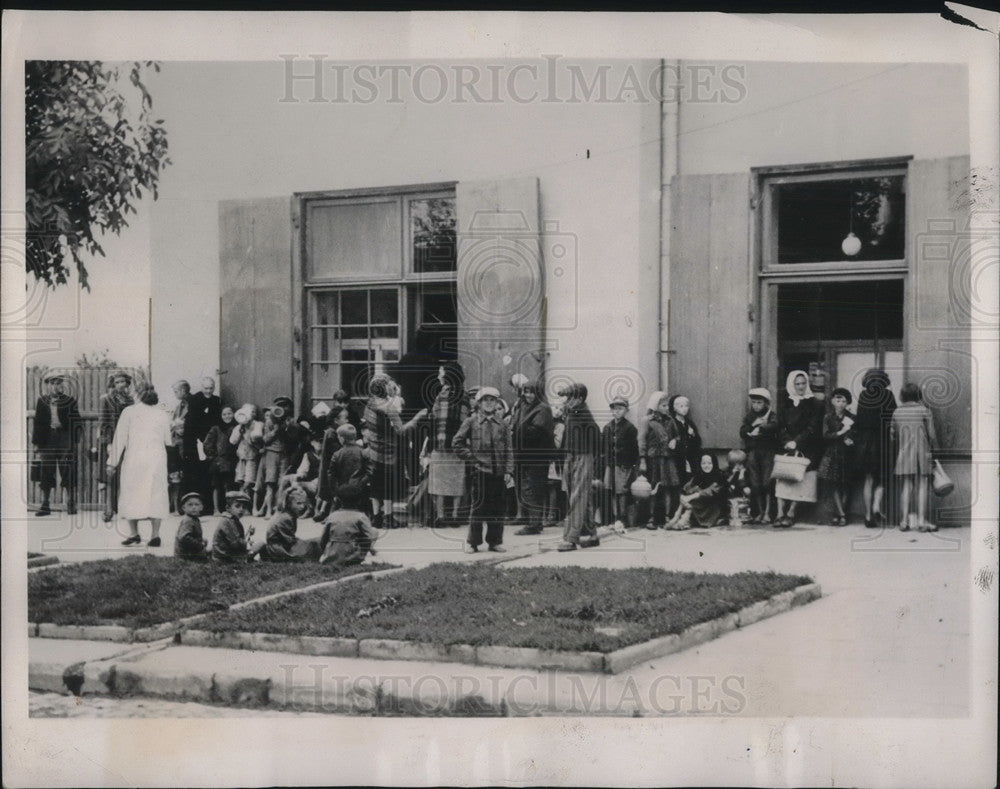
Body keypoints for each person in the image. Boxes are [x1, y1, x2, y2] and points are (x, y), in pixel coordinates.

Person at [107, 384, 173, 547]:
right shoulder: (163, 414)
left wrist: (111, 463)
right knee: (156, 493)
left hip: (135, 459)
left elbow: (119, 439)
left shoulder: (129, 412)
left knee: (131, 492)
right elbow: (168, 440)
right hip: (156, 459)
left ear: (137, 395)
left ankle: (134, 533)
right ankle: (155, 535)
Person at [452, 386, 514, 554]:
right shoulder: (471, 422)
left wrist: (508, 470)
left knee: (497, 508)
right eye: (485, 400)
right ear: (479, 403)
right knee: (478, 507)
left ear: (497, 403)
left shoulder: (502, 423)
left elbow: (509, 448)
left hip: (498, 472)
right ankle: (473, 542)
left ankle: (495, 541)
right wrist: (471, 458)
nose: (489, 403)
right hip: (479, 471)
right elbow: (456, 443)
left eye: (492, 400)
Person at [362, 373, 427, 530]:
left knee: (376, 484)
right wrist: (417, 418)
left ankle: (376, 517)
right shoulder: (389, 408)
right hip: (388, 452)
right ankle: (389, 518)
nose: (392, 387)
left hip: (373, 449)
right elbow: (401, 430)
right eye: (389, 385)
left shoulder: (369, 404)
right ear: (384, 387)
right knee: (388, 485)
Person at [774, 370, 824, 528]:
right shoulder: (785, 404)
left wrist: (797, 442)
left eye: (803, 383)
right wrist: (787, 441)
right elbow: (780, 426)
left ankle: (791, 513)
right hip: (787, 447)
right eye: (797, 384)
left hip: (807, 447)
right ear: (791, 385)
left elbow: (813, 427)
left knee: (801, 480)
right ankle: (779, 513)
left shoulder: (815, 404)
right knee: (783, 479)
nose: (801, 387)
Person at [555, 383, 601, 552]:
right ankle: (591, 534)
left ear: (580, 399)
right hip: (571, 456)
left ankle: (570, 538)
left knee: (577, 497)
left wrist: (591, 456)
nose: (567, 401)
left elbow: (596, 435)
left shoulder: (582, 413)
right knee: (582, 496)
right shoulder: (572, 413)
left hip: (582, 456)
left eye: (571, 398)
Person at [32, 371, 83, 516]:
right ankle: (45, 504)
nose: (55, 386)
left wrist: (74, 440)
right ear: (48, 386)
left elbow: (77, 421)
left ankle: (71, 503)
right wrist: (36, 443)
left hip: (64, 439)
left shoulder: (70, 401)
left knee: (68, 470)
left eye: (58, 383)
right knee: (46, 471)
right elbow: (38, 423)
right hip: (47, 440)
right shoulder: (42, 401)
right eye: (52, 383)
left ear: (62, 385)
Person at [426, 362, 470, 528]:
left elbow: (433, 419)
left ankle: (441, 516)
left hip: (440, 443)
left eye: (441, 372)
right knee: (457, 480)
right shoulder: (464, 396)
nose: (439, 375)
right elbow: (466, 421)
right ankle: (455, 515)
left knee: (439, 481)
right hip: (457, 445)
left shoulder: (441, 395)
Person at [891, 382, 939, 532]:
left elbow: (893, 435)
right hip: (922, 452)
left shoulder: (896, 412)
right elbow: (932, 435)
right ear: (918, 395)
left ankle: (904, 521)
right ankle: (921, 521)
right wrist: (936, 451)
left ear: (902, 396)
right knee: (922, 486)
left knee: (906, 486)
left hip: (904, 452)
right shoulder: (924, 410)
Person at [853, 369, 897, 528]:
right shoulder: (888, 395)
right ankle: (876, 506)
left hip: (865, 444)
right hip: (882, 441)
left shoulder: (863, 396)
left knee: (869, 479)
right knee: (882, 479)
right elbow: (893, 417)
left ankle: (867, 515)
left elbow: (858, 421)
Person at [511, 380, 556, 536]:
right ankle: (533, 521)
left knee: (533, 488)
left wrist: (518, 432)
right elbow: (515, 424)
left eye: (531, 392)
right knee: (524, 488)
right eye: (526, 391)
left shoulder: (543, 409)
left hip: (536, 456)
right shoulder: (522, 407)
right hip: (522, 454)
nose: (528, 395)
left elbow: (537, 431)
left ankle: (534, 524)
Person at [97, 371, 134, 521]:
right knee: (110, 474)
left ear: (127, 383)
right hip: (112, 439)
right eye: (117, 382)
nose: (120, 385)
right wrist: (108, 443)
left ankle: (123, 507)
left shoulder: (131, 401)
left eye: (122, 382)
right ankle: (108, 509)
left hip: (128, 440)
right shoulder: (107, 400)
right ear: (113, 384)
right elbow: (103, 422)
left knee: (125, 474)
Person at [739, 387, 779, 524]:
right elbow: (743, 431)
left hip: (767, 452)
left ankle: (768, 513)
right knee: (755, 483)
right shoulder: (750, 416)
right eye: (754, 402)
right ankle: (760, 512)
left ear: (766, 403)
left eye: (759, 403)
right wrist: (753, 425)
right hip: (753, 452)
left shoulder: (771, 415)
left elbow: (774, 426)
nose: (756, 405)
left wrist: (761, 428)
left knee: (767, 482)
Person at [599, 395, 639, 531]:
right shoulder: (607, 428)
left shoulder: (630, 428)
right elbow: (603, 447)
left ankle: (622, 518)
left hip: (623, 464)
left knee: (621, 491)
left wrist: (630, 464)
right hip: (610, 464)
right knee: (610, 490)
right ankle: (613, 517)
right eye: (614, 409)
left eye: (620, 409)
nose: (617, 411)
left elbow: (633, 450)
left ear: (626, 410)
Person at [183, 376, 223, 513]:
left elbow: (217, 421)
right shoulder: (195, 400)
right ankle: (196, 507)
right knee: (197, 475)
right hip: (196, 442)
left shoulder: (216, 400)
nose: (209, 391)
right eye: (206, 388)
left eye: (211, 388)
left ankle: (210, 507)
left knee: (210, 475)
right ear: (201, 388)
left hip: (211, 442)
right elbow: (191, 423)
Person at [319, 481, 381, 567]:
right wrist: (362, 553)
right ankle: (357, 558)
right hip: (352, 556)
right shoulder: (361, 517)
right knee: (374, 531)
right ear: (359, 500)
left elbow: (323, 539)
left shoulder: (332, 516)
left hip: (331, 555)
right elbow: (367, 539)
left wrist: (325, 552)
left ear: (338, 500)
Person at [818, 387, 856, 526]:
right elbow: (825, 435)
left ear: (847, 403)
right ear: (832, 401)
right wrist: (841, 433)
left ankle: (838, 514)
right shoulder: (828, 417)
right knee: (834, 484)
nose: (840, 402)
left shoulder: (851, 417)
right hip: (832, 453)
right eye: (838, 399)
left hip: (847, 453)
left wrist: (850, 439)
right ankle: (842, 514)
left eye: (844, 400)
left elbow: (854, 434)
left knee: (845, 485)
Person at [666, 453, 728, 529]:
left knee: (692, 500)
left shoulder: (719, 476)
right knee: (688, 496)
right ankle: (678, 517)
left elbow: (711, 492)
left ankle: (683, 520)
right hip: (700, 504)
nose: (706, 466)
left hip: (713, 507)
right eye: (703, 463)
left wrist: (691, 497)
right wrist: (683, 495)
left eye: (709, 463)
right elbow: (687, 487)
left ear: (713, 464)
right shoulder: (699, 475)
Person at [259, 486, 322, 561]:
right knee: (312, 548)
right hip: (279, 549)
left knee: (313, 543)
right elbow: (291, 541)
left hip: (282, 544)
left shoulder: (288, 514)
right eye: (298, 503)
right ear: (289, 504)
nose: (302, 507)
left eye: (304, 503)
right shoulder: (286, 518)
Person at [637, 391, 671, 529]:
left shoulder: (669, 420)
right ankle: (651, 518)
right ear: (655, 405)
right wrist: (642, 460)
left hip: (666, 458)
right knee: (653, 488)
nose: (666, 408)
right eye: (663, 405)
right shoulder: (647, 421)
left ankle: (666, 517)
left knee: (666, 487)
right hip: (653, 459)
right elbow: (641, 441)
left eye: (667, 405)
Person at [665, 395, 702, 516]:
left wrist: (692, 435)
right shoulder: (672, 422)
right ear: (675, 408)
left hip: (690, 458)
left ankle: (688, 511)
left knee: (689, 481)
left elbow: (697, 442)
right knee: (678, 483)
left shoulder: (689, 423)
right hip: (678, 458)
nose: (684, 409)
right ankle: (675, 511)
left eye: (686, 406)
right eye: (681, 406)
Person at [204, 405, 238, 514]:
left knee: (229, 485)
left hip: (231, 461)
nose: (227, 416)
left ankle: (229, 508)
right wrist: (213, 456)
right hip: (218, 462)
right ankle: (216, 509)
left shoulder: (236, 428)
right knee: (216, 486)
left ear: (233, 415)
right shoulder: (216, 428)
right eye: (224, 414)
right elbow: (207, 444)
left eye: (229, 413)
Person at [211, 490, 257, 563]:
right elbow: (236, 544)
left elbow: (236, 539)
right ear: (228, 508)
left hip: (225, 555)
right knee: (260, 544)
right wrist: (247, 543)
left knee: (256, 545)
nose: (241, 509)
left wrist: (249, 535)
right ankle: (247, 559)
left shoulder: (231, 520)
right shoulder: (228, 522)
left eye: (244, 507)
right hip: (226, 558)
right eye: (237, 506)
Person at [231, 403, 264, 499]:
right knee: (240, 478)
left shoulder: (258, 424)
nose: (252, 413)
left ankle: (243, 495)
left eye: (253, 411)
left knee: (249, 480)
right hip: (241, 456)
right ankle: (243, 499)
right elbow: (233, 441)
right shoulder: (239, 426)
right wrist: (240, 429)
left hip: (252, 456)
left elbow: (256, 437)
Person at [173, 492, 209, 561]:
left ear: (201, 507)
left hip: (189, 551)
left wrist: (201, 539)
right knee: (209, 552)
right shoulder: (188, 520)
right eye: (190, 505)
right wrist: (199, 544)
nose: (194, 507)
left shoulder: (194, 519)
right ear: (184, 508)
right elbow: (184, 537)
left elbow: (192, 535)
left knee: (209, 551)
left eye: (197, 504)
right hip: (185, 555)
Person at [724, 449, 751, 526]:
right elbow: (726, 483)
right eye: (735, 464)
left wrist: (741, 474)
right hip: (730, 495)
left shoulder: (745, 472)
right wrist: (733, 474)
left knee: (747, 490)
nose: (738, 466)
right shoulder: (727, 471)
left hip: (741, 495)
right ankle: (729, 515)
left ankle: (743, 514)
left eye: (740, 463)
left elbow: (744, 485)